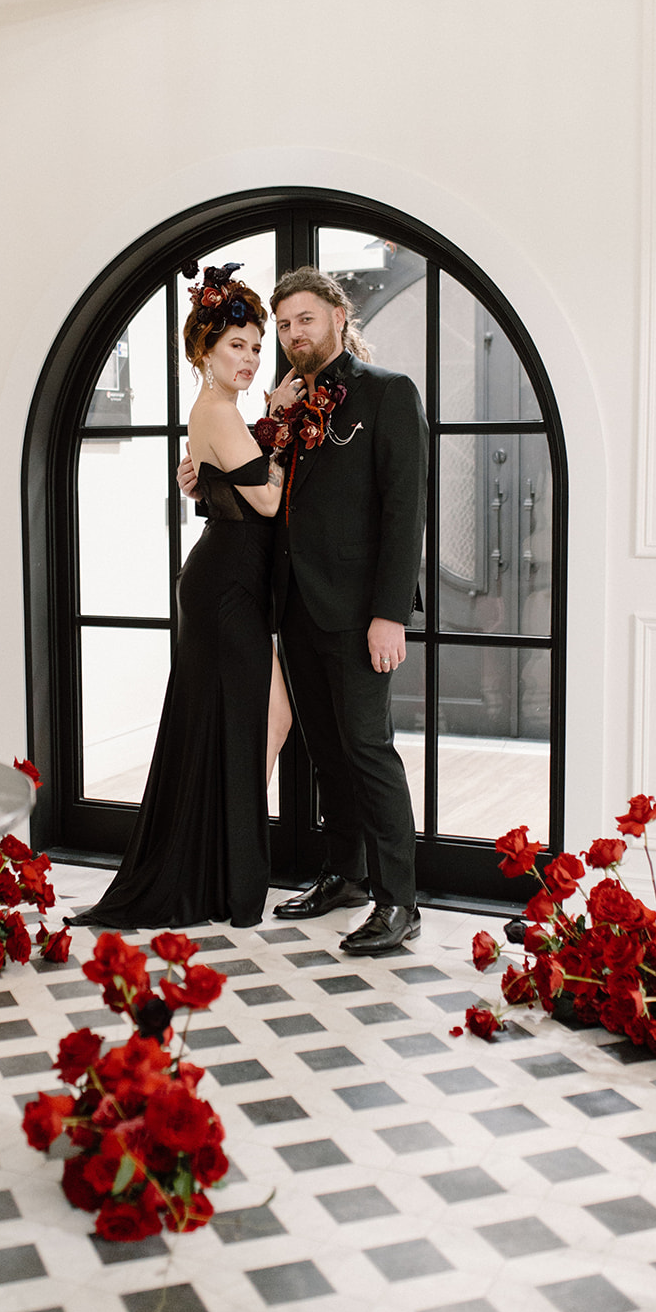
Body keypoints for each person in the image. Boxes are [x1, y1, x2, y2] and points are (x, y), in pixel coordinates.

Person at [180, 264, 427, 955]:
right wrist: (200, 478)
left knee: (366, 749)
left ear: (338, 318)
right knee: (324, 750)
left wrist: (389, 614)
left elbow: (404, 513)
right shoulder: (284, 407)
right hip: (290, 605)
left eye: (303, 320)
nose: (291, 335)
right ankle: (343, 874)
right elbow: (252, 488)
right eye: (282, 325)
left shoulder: (387, 395)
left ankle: (399, 900)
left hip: (356, 613)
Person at [67, 263, 291, 930]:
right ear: (203, 351)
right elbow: (271, 499)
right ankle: (227, 869)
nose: (250, 359)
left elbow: (228, 490)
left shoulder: (224, 415)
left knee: (263, 717)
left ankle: (225, 862)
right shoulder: (219, 411)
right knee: (258, 718)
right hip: (223, 587)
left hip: (228, 579)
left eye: (255, 347)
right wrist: (278, 427)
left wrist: (246, 445)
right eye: (236, 347)